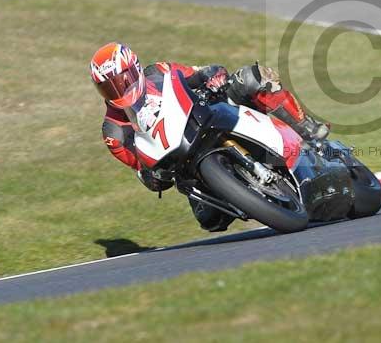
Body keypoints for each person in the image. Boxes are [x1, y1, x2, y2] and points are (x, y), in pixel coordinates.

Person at [90, 42, 328, 232]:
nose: (120, 89)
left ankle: (307, 129)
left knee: (251, 78)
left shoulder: (159, 71)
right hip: (185, 162)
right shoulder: (114, 132)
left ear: (136, 68)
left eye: (123, 80)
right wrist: (150, 175)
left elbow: (197, 73)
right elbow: (141, 167)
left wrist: (212, 76)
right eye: (109, 87)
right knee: (210, 219)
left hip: (206, 115)